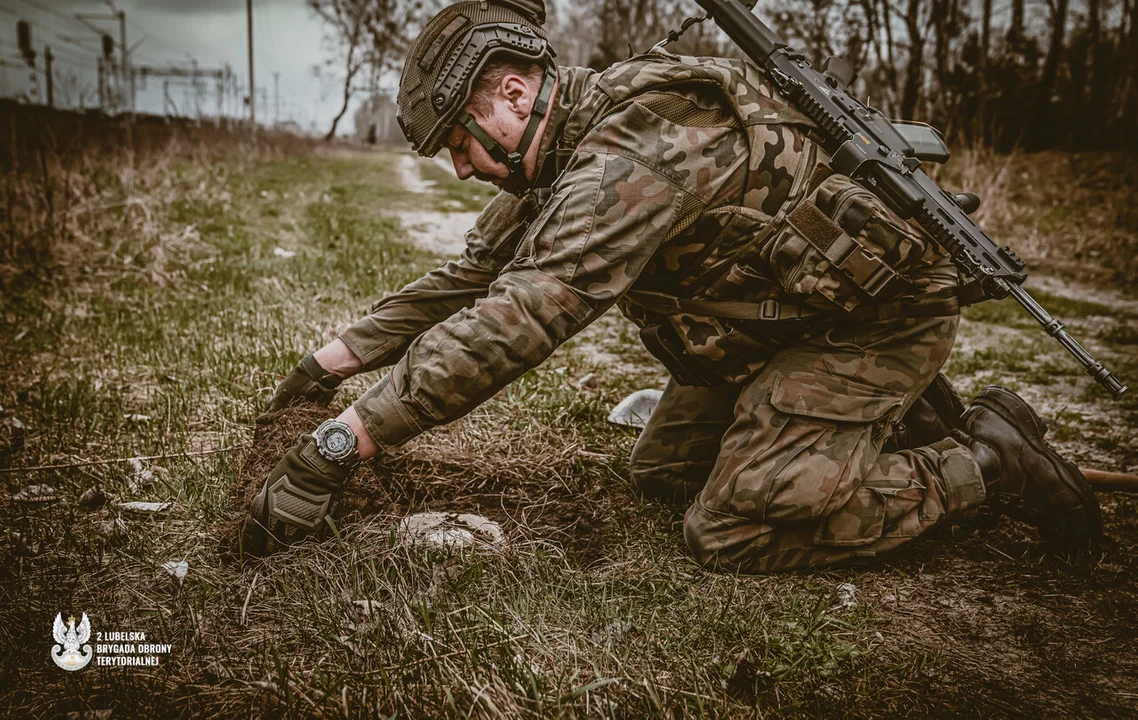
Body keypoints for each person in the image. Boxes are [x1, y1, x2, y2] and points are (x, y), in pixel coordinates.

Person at [240, 0, 1101, 571]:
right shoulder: (564, 148)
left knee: (732, 524)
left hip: (869, 323)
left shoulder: (635, 149)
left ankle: (987, 460)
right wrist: (329, 364)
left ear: (510, 92)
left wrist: (343, 443)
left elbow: (523, 313)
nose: (462, 169)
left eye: (460, 143)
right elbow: (469, 277)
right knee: (664, 469)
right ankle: (886, 429)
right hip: (780, 327)